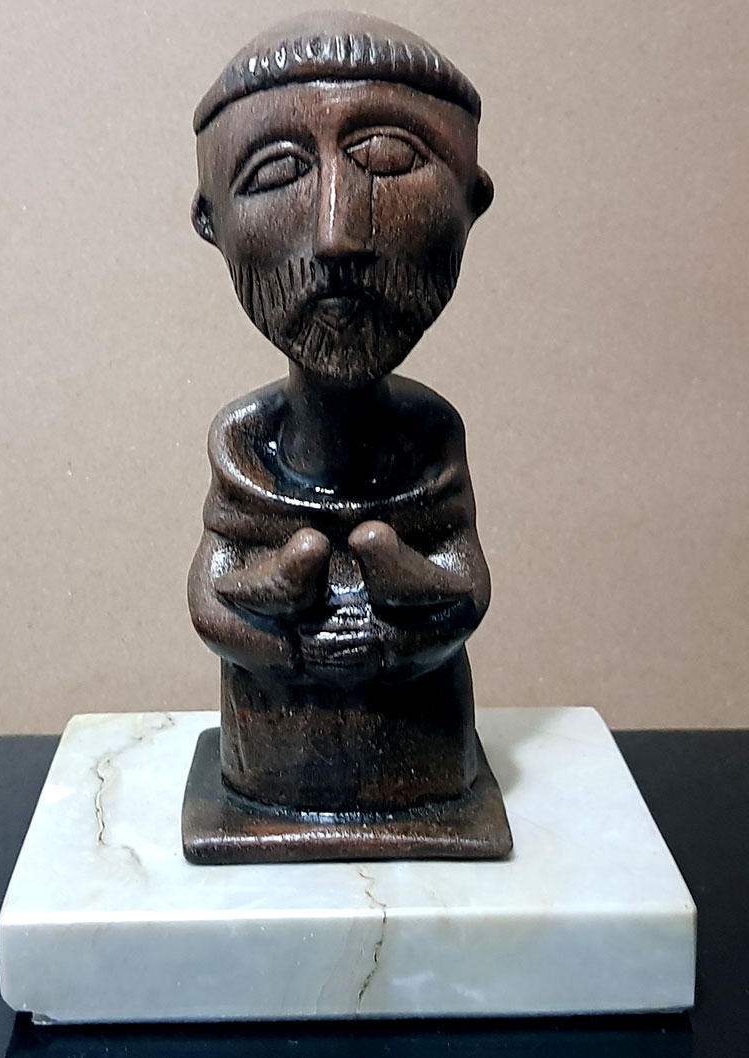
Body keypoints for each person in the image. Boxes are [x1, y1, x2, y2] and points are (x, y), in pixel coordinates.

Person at [186, 12, 507, 843]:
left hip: (428, 756)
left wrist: (395, 632)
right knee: (289, 564)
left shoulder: (431, 443)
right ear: (211, 222)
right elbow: (213, 595)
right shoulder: (243, 448)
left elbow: (466, 588)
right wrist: (297, 648)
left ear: (471, 202)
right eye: (276, 171)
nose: (335, 233)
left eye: (389, 160)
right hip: (268, 763)